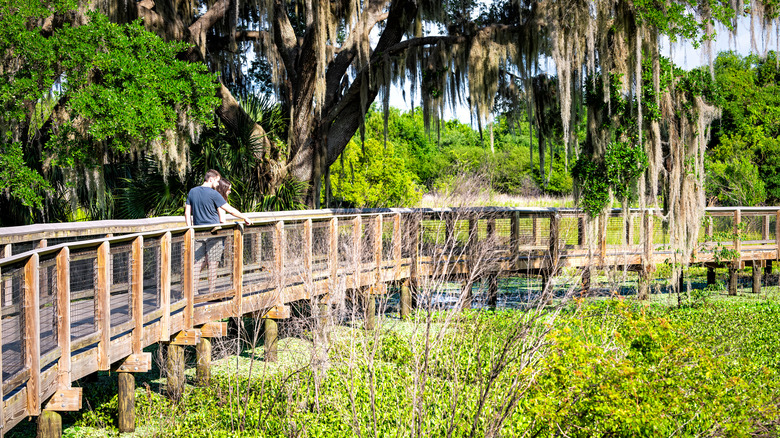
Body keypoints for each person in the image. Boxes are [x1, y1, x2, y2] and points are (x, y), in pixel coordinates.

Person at [184, 170, 251, 294]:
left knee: (197, 263)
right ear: (211, 179)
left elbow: (187, 212)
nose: (218, 183)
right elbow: (229, 209)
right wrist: (244, 217)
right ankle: (211, 292)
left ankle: (193, 293)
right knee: (213, 264)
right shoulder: (214, 194)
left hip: (198, 232)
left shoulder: (192, 191)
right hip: (214, 233)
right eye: (217, 180)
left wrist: (190, 228)